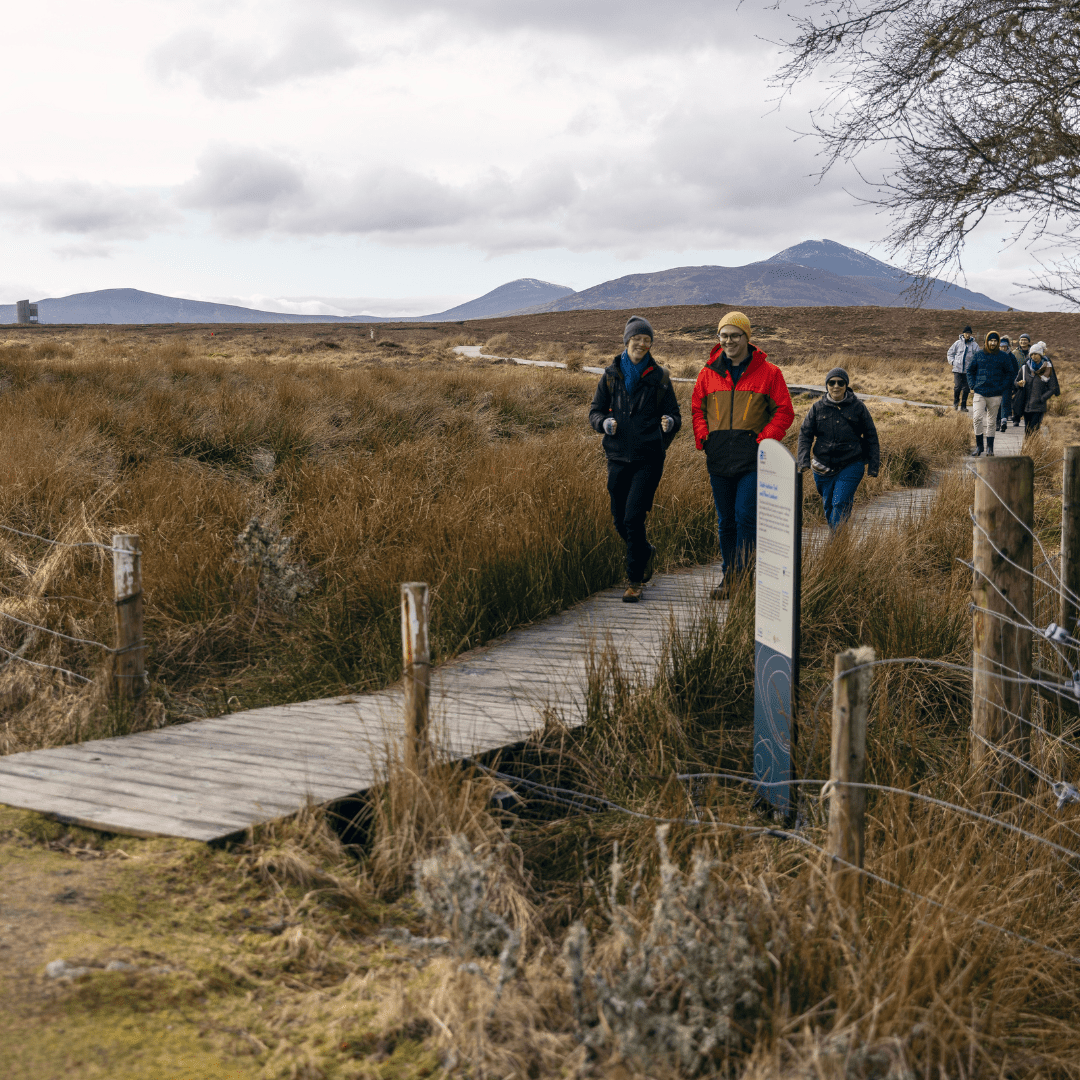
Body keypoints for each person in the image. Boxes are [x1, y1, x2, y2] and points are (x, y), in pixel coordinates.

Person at [690, 311, 794, 598]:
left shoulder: (769, 373)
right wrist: (704, 438)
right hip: (719, 458)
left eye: (735, 335)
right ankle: (729, 578)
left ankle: (745, 578)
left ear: (747, 337)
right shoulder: (707, 373)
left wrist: (763, 442)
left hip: (752, 461)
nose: (729, 341)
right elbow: (697, 409)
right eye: (724, 336)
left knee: (745, 516)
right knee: (726, 521)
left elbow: (784, 412)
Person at [589, 315, 682, 603]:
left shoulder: (660, 377)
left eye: (646, 340)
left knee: (633, 518)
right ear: (627, 341)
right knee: (619, 519)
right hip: (617, 457)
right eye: (637, 339)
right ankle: (644, 552)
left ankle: (634, 581)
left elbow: (675, 415)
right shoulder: (610, 375)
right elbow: (594, 412)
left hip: (648, 458)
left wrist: (669, 423)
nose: (641, 344)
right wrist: (604, 423)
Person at [796, 368, 880, 529]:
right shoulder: (817, 408)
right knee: (828, 506)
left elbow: (871, 436)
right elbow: (805, 434)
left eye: (840, 382)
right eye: (831, 382)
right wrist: (803, 461)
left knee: (840, 502)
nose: (836, 386)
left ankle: (835, 543)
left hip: (851, 464)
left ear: (846, 385)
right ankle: (839, 540)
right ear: (826, 385)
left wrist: (873, 466)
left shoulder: (858, 407)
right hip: (822, 466)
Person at [965, 331, 1014, 456]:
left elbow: (1010, 373)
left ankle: (990, 448)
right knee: (977, 418)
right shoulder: (978, 355)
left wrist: (1002, 387)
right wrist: (972, 385)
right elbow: (970, 370)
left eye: (995, 341)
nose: (993, 343)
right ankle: (979, 446)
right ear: (986, 341)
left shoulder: (1003, 356)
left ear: (998, 342)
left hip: (996, 394)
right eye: (990, 340)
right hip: (979, 392)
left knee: (992, 422)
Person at [1013, 341, 1060, 436]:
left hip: (1039, 406)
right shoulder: (1025, 368)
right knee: (1027, 429)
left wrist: (1042, 398)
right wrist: (1019, 384)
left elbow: (1052, 388)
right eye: (1032, 354)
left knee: (1034, 429)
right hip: (1026, 405)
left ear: (1041, 355)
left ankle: (1033, 448)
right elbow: (1015, 382)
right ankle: (1028, 449)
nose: (1034, 356)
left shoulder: (1047, 368)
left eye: (1036, 354)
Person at [947, 325, 978, 411]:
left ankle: (963, 406)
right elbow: (950, 353)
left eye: (969, 333)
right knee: (957, 387)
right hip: (957, 369)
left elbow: (978, 357)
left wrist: (974, 367)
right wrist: (953, 362)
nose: (967, 335)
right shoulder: (957, 343)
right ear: (963, 333)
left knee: (966, 388)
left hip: (968, 371)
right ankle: (955, 403)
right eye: (966, 333)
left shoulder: (974, 345)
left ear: (971, 334)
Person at [996, 335, 1019, 433]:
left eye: (1004, 346)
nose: (1003, 348)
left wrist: (1013, 383)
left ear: (1007, 347)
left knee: (1005, 403)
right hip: (996, 384)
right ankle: (997, 422)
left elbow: (1015, 371)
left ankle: (1003, 422)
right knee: (997, 404)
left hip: (1007, 384)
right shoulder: (994, 355)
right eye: (1001, 346)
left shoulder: (1011, 356)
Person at [1009, 333, 1032, 426]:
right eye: (1021, 340)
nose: (1023, 341)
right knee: (1017, 399)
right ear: (1019, 341)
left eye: (1025, 340)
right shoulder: (1014, 352)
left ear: (1028, 341)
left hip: (1029, 380)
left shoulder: (1032, 352)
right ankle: (1016, 418)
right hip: (1017, 379)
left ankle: (1028, 420)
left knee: (1027, 400)